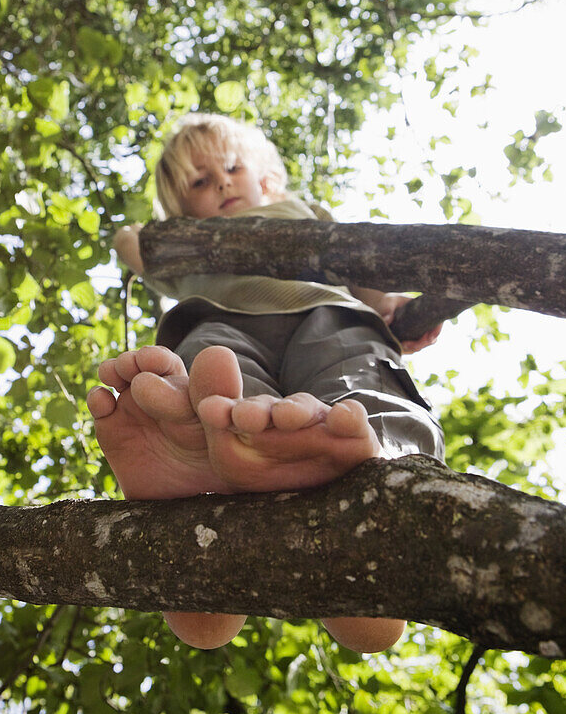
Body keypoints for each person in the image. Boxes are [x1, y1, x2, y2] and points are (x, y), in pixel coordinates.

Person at [87, 113, 444, 653]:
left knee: (358, 391)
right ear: (183, 209)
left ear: (269, 179)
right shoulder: (190, 245)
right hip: (220, 326)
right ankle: (210, 492)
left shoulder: (303, 212)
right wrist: (174, 234)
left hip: (328, 314)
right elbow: (130, 243)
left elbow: (358, 265)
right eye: (199, 182)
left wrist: (388, 305)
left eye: (231, 167)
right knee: (221, 401)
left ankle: (379, 469)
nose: (223, 183)